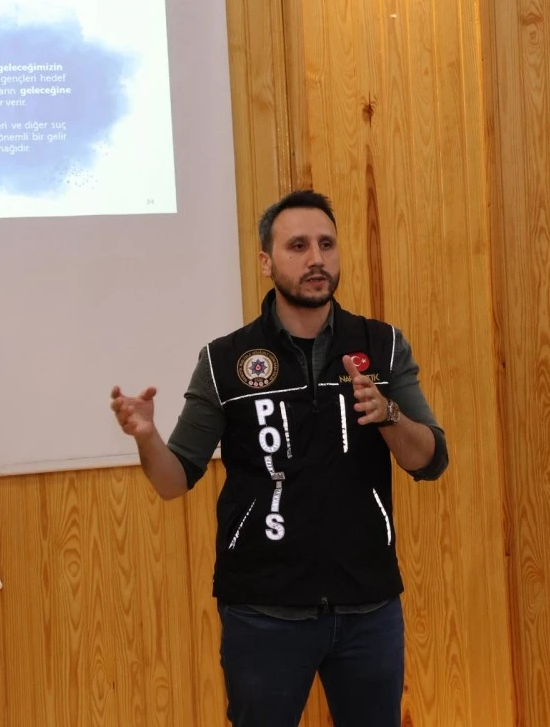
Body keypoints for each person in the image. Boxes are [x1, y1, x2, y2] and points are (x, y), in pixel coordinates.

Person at [110, 189, 448, 727]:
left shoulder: (381, 346)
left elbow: (430, 459)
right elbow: (174, 481)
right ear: (266, 263)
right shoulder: (225, 361)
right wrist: (147, 438)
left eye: (326, 244)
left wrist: (388, 414)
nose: (316, 259)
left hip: (369, 606)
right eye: (298, 246)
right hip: (262, 611)